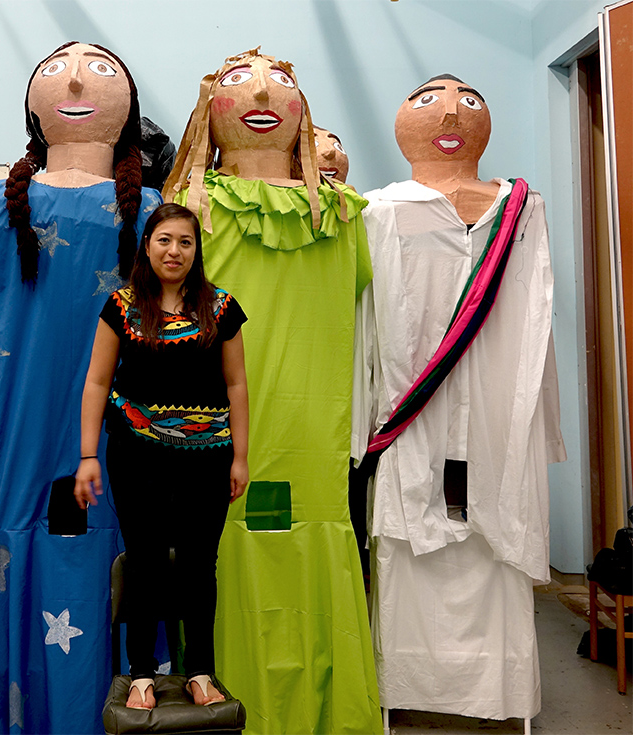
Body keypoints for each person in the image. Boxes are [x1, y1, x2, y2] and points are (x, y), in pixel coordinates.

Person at [163, 48, 382, 733]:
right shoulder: (192, 207)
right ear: (210, 110)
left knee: (303, 537)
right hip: (215, 436)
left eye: (280, 81)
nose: (261, 91)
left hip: (312, 434)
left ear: (302, 112)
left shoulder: (342, 215)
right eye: (237, 81)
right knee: (221, 553)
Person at [0, 43, 161, 734]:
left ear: (129, 103)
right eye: (59, 67)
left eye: (100, 67)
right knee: (22, 537)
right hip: (26, 422)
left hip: (126, 427)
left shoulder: (153, 209)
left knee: (121, 543)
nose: (76, 77)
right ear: (32, 104)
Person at [356, 74, 564, 721]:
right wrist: (361, 424)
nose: (450, 109)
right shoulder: (382, 211)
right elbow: (366, 325)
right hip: (413, 413)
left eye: (467, 98)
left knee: (494, 541)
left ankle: (501, 696)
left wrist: (543, 423)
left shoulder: (521, 210)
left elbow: (538, 324)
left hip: (501, 413)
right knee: (414, 548)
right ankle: (409, 693)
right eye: (430, 97)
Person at [74, 202, 249, 711]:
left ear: (197, 251)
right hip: (136, 456)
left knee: (200, 564)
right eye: (165, 240)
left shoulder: (221, 308)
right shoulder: (121, 306)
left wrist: (240, 456)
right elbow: (97, 382)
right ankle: (141, 675)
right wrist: (88, 456)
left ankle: (200, 672)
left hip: (208, 458)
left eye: (186, 242)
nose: (175, 251)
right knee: (146, 562)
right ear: (147, 246)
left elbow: (236, 384)